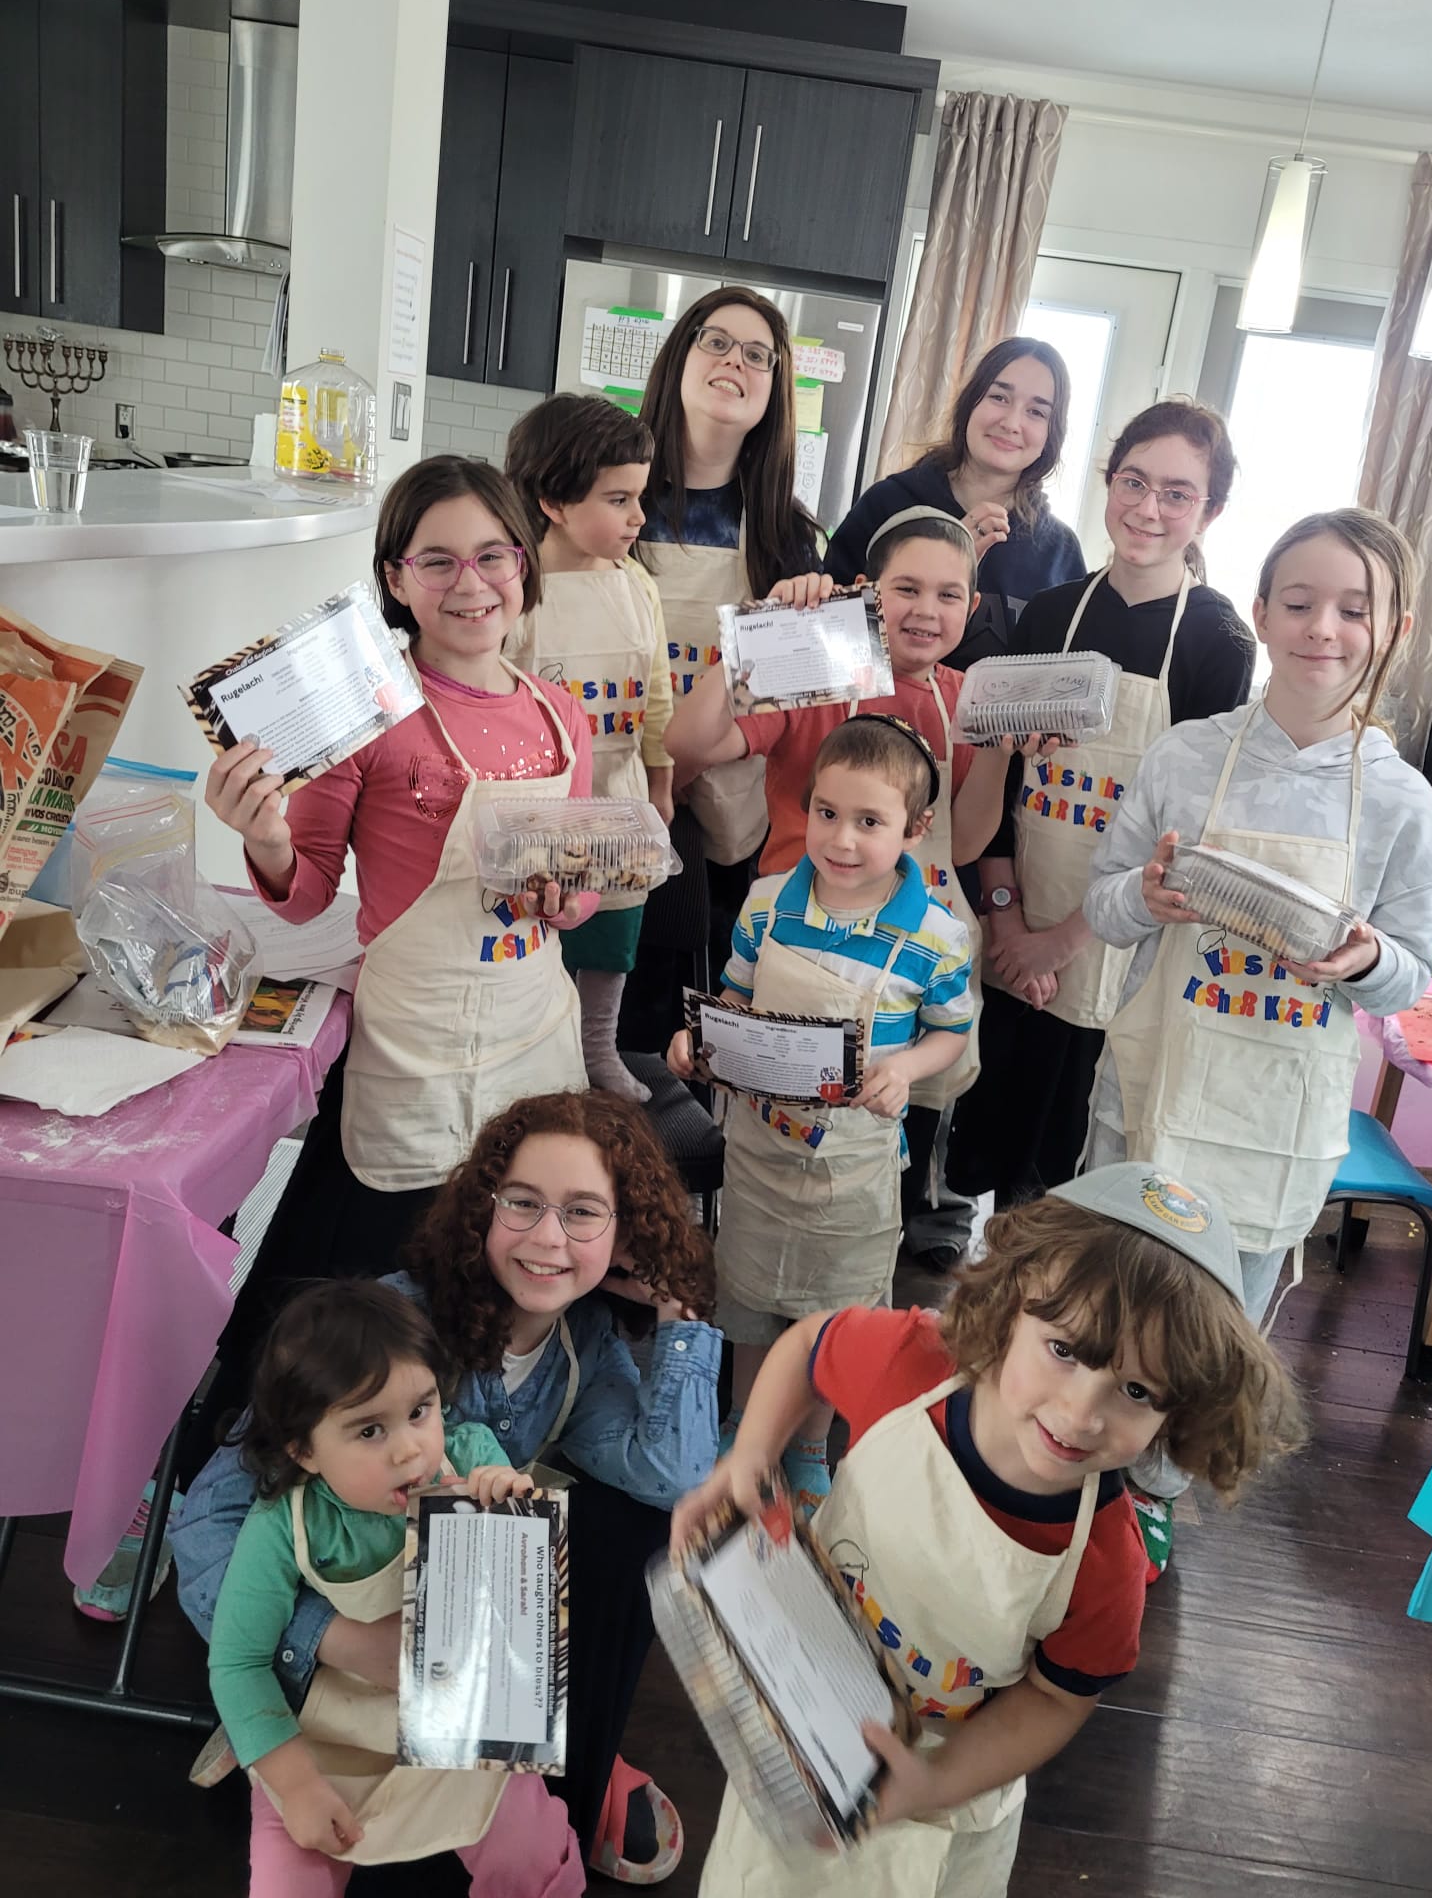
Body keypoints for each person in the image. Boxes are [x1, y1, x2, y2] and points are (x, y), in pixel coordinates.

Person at [673, 1160, 1305, 1897]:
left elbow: (1056, 1699)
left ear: (1180, 1411)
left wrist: (934, 1781)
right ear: (1010, 1307)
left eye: (1136, 1390)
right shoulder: (910, 1366)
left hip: (951, 1782)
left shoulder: (1105, 1565)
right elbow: (814, 1345)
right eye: (1063, 1351)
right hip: (810, 1709)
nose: (1079, 1414)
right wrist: (750, 1452)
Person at [174, 1089, 718, 1884]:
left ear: (627, 1231)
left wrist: (680, 1313)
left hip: (457, 1663)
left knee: (634, 1530)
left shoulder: (584, 1344)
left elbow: (672, 1474)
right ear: (482, 1208)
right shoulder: (381, 1325)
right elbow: (210, 1522)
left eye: (584, 1214)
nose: (547, 1238)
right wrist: (336, 1638)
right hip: (327, 1659)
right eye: (523, 1204)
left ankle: (565, 1778)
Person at [202, 457, 598, 1424]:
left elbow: (575, 890)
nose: (471, 584)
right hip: (414, 1046)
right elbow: (303, 896)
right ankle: (280, 1462)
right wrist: (260, 832)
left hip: (532, 1030)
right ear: (394, 579)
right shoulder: (366, 719)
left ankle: (468, 1449)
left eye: (492, 555)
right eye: (437, 561)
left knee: (504, 1267)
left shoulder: (563, 715)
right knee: (371, 1293)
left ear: (525, 561)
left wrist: (567, 898)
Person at [1082, 507, 1432, 1560]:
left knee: (1207, 1327)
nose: (1321, 628)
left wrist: (1364, 961)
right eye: (1298, 602)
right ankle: (1071, 1476)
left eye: (1352, 608)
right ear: (1261, 611)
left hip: (1270, 1111)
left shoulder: (1399, 802)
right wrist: (1149, 899)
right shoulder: (1188, 757)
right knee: (1114, 1295)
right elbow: (1105, 908)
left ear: (1397, 629)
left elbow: (1410, 979)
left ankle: (1150, 1493)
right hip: (1155, 1084)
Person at [664, 507, 1012, 1233]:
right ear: (865, 591)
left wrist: (1003, 747)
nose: (927, 610)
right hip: (796, 941)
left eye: (949, 595)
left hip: (910, 958)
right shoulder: (818, 671)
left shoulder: (965, 701)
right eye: (906, 588)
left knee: (877, 1164)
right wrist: (764, 636)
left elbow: (968, 842)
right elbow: (686, 738)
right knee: (774, 1146)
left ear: (971, 608)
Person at [947, 400, 1255, 1217]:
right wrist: (1011, 922)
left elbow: (1184, 838)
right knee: (989, 1155)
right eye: (1134, 481)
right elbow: (1006, 785)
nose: (1149, 509)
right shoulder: (1053, 615)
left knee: (1066, 1187)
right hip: (1017, 931)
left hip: (1114, 956)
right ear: (1109, 482)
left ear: (1210, 511)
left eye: (1178, 494)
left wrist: (1064, 941)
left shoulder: (1216, 643)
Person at [667, 716, 973, 1518]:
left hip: (855, 1168)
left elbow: (951, 1033)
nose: (840, 840)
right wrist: (697, 1039)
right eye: (827, 814)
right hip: (758, 1153)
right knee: (747, 1292)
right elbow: (735, 993)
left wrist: (903, 1068)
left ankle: (807, 1447)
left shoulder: (935, 938)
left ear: (916, 829)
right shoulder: (768, 903)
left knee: (835, 1309)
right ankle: (744, 1425)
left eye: (870, 823)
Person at [207, 1278, 583, 1897]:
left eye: (419, 1411)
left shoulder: (469, 1458)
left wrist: (510, 1505)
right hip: (332, 1740)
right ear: (304, 1450)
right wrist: (295, 1784)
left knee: (529, 1856)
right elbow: (237, 1662)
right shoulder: (284, 1523)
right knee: (286, 1878)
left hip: (464, 1724)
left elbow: (524, 1623)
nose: (410, 1450)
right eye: (368, 1431)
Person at [620, 286, 824, 1054]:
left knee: (675, 1044)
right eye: (716, 341)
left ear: (773, 390)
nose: (734, 361)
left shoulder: (787, 537)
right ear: (679, 358)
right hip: (605, 803)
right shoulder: (614, 499)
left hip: (726, 829)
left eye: (757, 355)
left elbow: (797, 702)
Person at [505, 394, 672, 1103]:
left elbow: (658, 695)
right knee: (536, 936)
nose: (639, 516)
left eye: (640, 496)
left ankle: (596, 1047)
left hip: (620, 787)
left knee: (613, 933)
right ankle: (533, 1059)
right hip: (536, 800)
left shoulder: (637, 583)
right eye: (619, 498)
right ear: (554, 499)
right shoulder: (516, 587)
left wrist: (661, 787)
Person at [824, 337, 1085, 665]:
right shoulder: (887, 504)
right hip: (876, 715)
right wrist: (947, 557)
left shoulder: (1059, 551)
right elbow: (826, 643)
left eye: (1036, 411)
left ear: (1052, 433)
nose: (1011, 422)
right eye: (999, 396)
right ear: (970, 402)